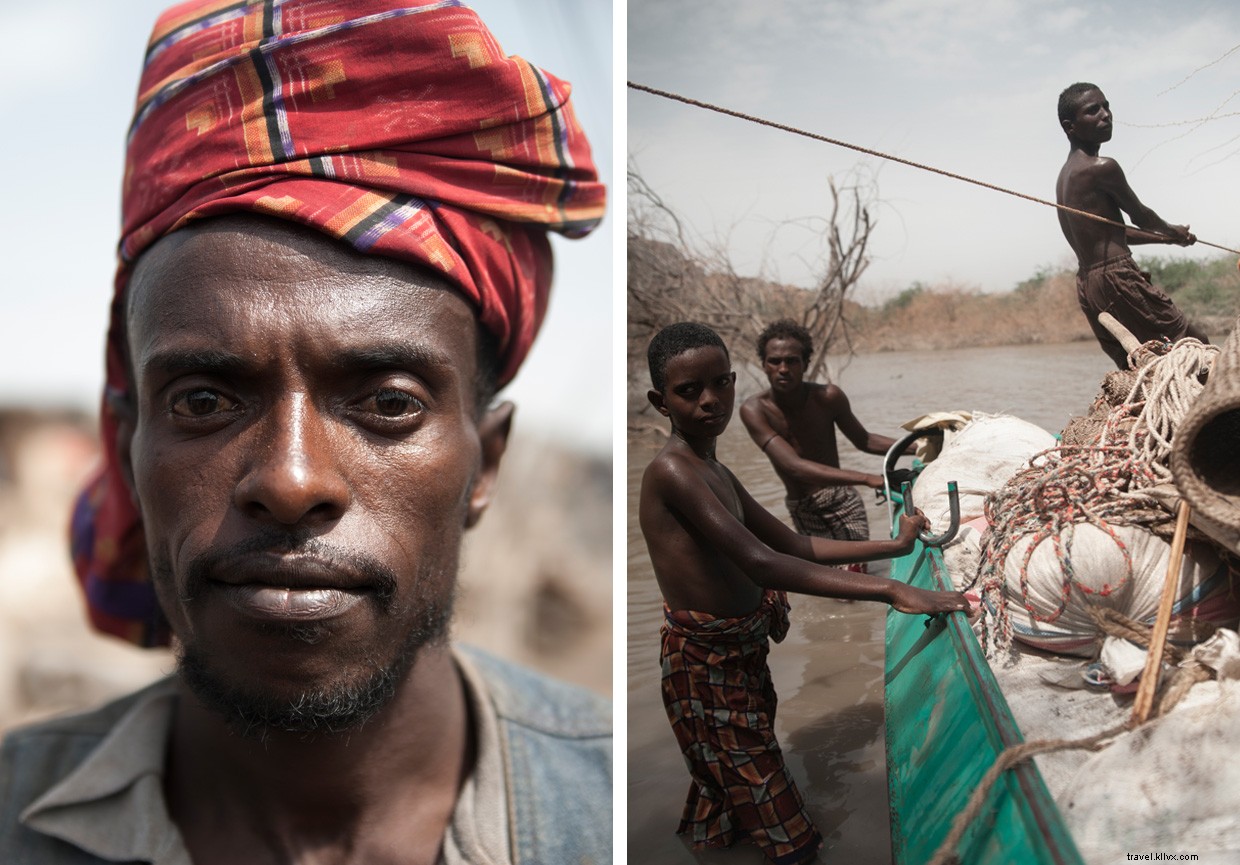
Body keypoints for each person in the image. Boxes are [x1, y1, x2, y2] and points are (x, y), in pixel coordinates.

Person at [0, 3, 610, 864]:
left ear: (487, 462)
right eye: (204, 401)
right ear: (129, 449)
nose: (291, 481)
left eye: (388, 403)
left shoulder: (606, 809)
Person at [639, 322, 971, 865]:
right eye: (688, 391)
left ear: (733, 381)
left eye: (720, 383)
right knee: (794, 842)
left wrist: (895, 545)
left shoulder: (714, 468)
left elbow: (794, 544)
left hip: (741, 656)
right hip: (706, 670)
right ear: (661, 402)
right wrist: (890, 589)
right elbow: (761, 561)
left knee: (725, 799)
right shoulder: (672, 471)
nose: (710, 400)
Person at [1055, 81, 1210, 369]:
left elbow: (1113, 233)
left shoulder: (1065, 176)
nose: (1106, 114)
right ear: (1070, 126)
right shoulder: (1102, 167)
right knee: (1194, 343)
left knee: (1137, 364)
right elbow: (1141, 217)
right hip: (1117, 278)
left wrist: (1167, 240)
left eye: (1106, 106)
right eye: (1093, 110)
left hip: (1089, 285)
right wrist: (1172, 230)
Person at [740, 319, 903, 573]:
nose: (783, 369)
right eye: (774, 361)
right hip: (803, 509)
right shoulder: (754, 410)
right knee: (826, 582)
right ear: (763, 364)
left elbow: (865, 440)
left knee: (852, 575)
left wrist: (920, 444)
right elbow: (793, 466)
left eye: (792, 361)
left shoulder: (828, 397)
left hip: (841, 500)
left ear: (806, 363)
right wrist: (868, 478)